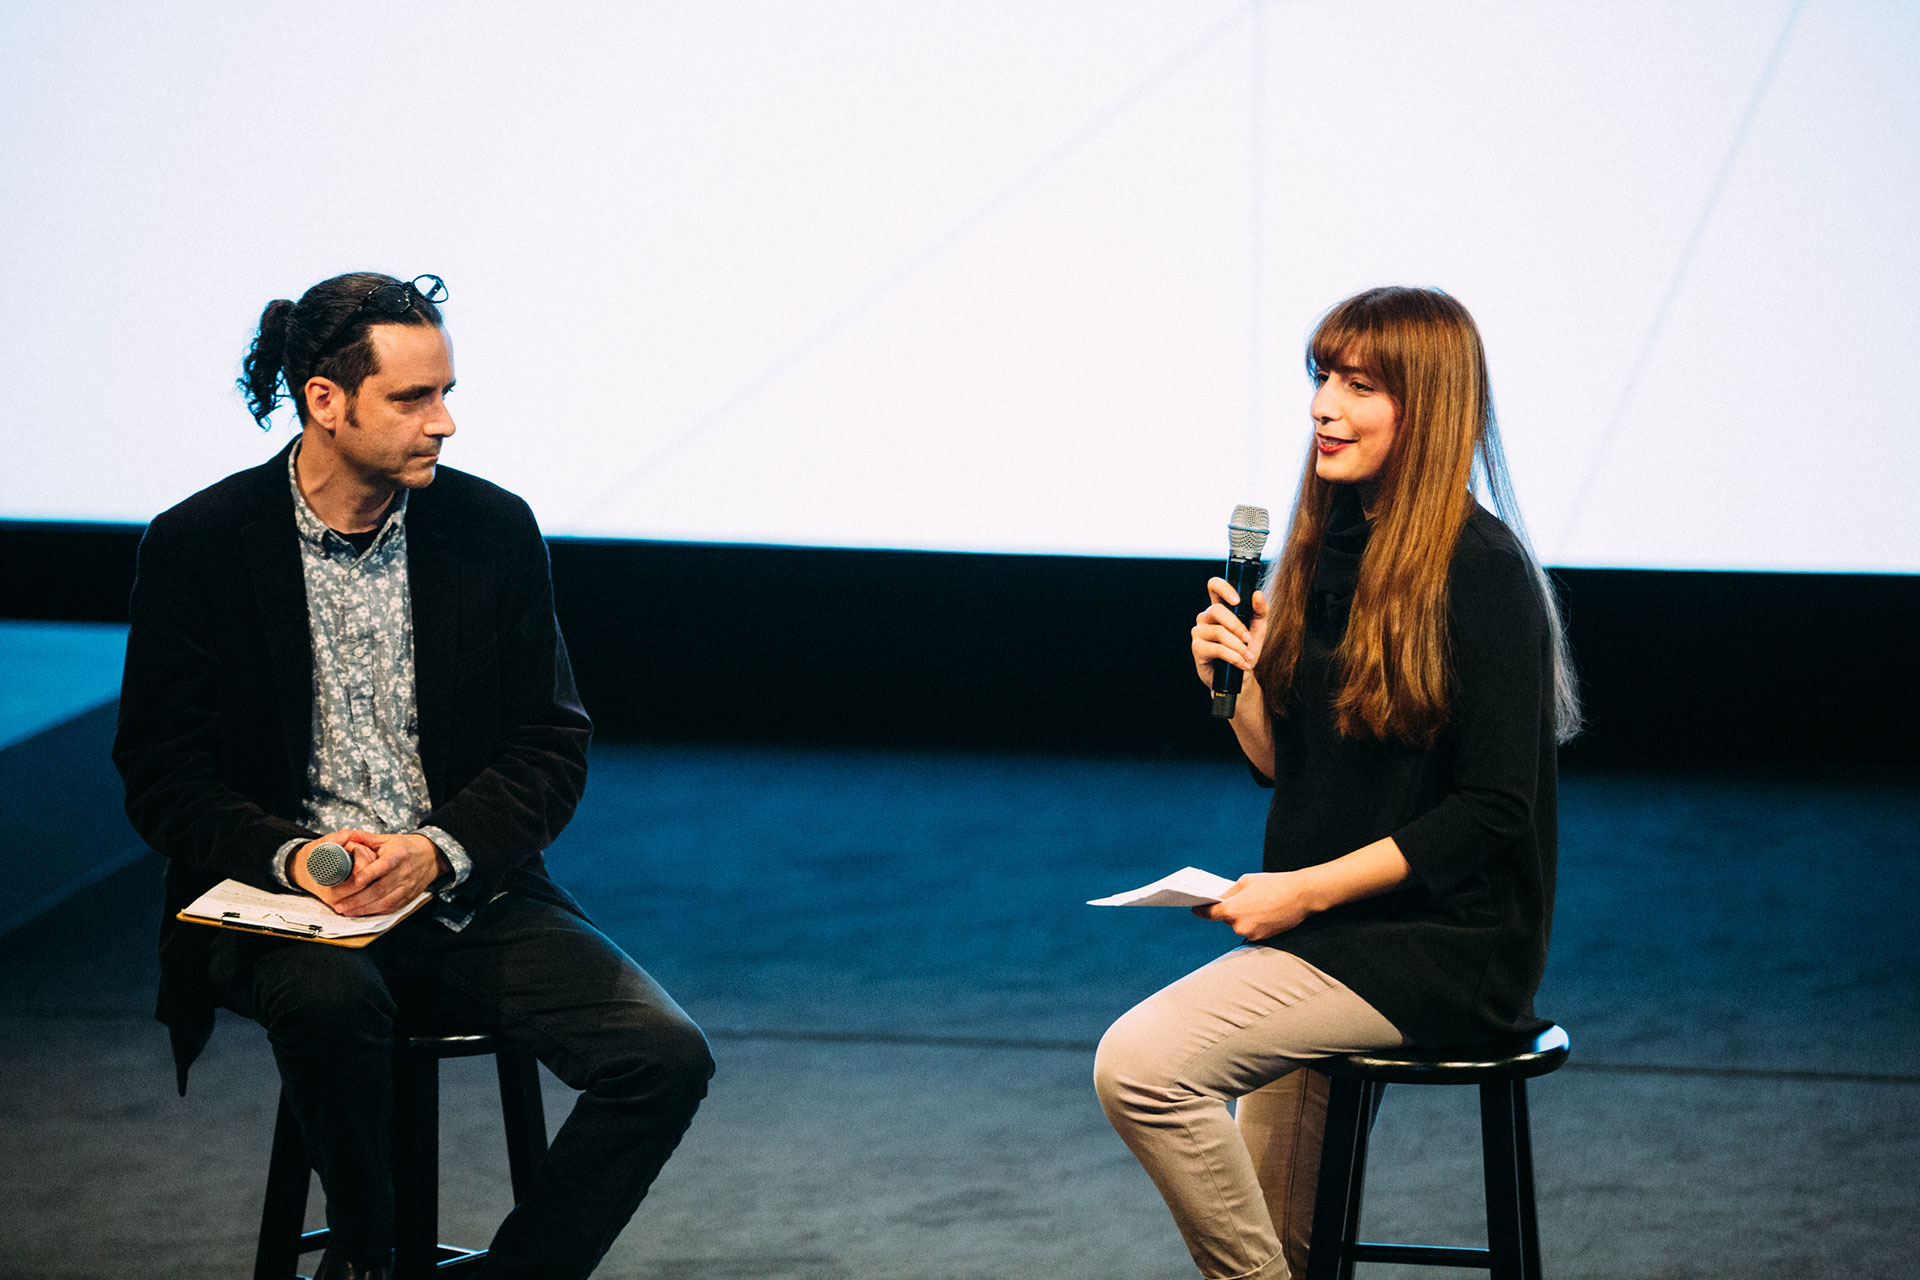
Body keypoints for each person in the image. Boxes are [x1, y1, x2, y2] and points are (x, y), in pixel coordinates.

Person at [113, 271, 714, 1280]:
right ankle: (371, 1259)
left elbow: (548, 745)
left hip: (459, 889)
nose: (444, 422)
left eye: (445, 392)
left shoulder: (490, 529)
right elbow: (162, 771)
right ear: (325, 401)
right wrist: (295, 853)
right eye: (413, 398)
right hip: (281, 903)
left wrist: (434, 852)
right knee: (333, 997)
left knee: (663, 1056)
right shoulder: (201, 544)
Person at [1094, 286, 1578, 1280]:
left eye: (1360, 385)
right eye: (1323, 376)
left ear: (1429, 408)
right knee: (1284, 1237)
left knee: (1140, 1064)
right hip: (1331, 933)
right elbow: (1289, 769)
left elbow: (1493, 809)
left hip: (1440, 945)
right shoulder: (1326, 552)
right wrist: (1243, 686)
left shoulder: (1481, 570)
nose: (1325, 405)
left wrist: (1299, 890)